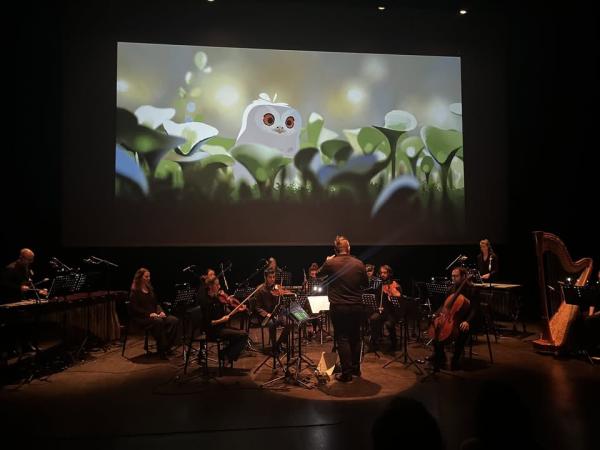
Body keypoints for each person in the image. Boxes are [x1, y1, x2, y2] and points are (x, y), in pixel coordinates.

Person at [317, 235, 367, 382]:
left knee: (342, 338)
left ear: (335, 250)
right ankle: (356, 369)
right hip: (357, 306)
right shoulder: (359, 263)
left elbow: (318, 275)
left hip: (339, 307)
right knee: (355, 338)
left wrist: (326, 261)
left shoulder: (331, 263)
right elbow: (365, 283)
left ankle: (346, 374)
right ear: (348, 248)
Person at [429, 266, 479, 370]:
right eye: (452, 276)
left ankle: (455, 358)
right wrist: (436, 314)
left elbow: (475, 309)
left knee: (462, 331)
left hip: (467, 319)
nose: (453, 278)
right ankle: (440, 354)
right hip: (453, 317)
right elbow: (445, 306)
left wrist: (467, 321)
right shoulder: (451, 289)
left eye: (456, 276)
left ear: (464, 276)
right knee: (436, 325)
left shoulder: (472, 289)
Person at [129, 268, 179, 359]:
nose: (148, 278)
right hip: (142, 318)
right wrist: (149, 314)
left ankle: (166, 347)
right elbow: (135, 309)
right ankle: (162, 350)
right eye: (146, 276)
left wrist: (161, 311)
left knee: (173, 320)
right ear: (140, 277)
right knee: (158, 322)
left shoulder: (150, 289)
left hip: (155, 315)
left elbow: (157, 304)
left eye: (149, 276)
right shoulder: (135, 292)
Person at [202, 277, 248, 364]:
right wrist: (221, 320)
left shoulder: (216, 299)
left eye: (219, 284)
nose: (219, 286)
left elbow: (227, 314)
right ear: (210, 286)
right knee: (243, 335)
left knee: (242, 334)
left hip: (221, 328)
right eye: (217, 285)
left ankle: (225, 354)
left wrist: (238, 310)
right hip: (213, 331)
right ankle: (225, 355)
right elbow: (208, 323)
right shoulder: (206, 302)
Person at [254, 269, 290, 354]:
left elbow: (280, 304)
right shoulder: (260, 289)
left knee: (289, 323)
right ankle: (274, 347)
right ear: (265, 278)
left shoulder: (276, 288)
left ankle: (278, 344)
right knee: (272, 324)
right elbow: (257, 307)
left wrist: (282, 295)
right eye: (270, 277)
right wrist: (267, 314)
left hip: (276, 314)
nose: (272, 279)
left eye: (274, 277)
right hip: (265, 316)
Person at [369, 265, 401, 353]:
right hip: (382, 311)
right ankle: (374, 342)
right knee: (373, 318)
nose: (382, 275)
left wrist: (392, 293)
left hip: (392, 312)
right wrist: (378, 307)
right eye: (381, 273)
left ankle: (394, 343)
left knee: (389, 324)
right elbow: (377, 298)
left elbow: (399, 301)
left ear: (389, 273)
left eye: (385, 273)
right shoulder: (380, 285)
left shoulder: (394, 284)